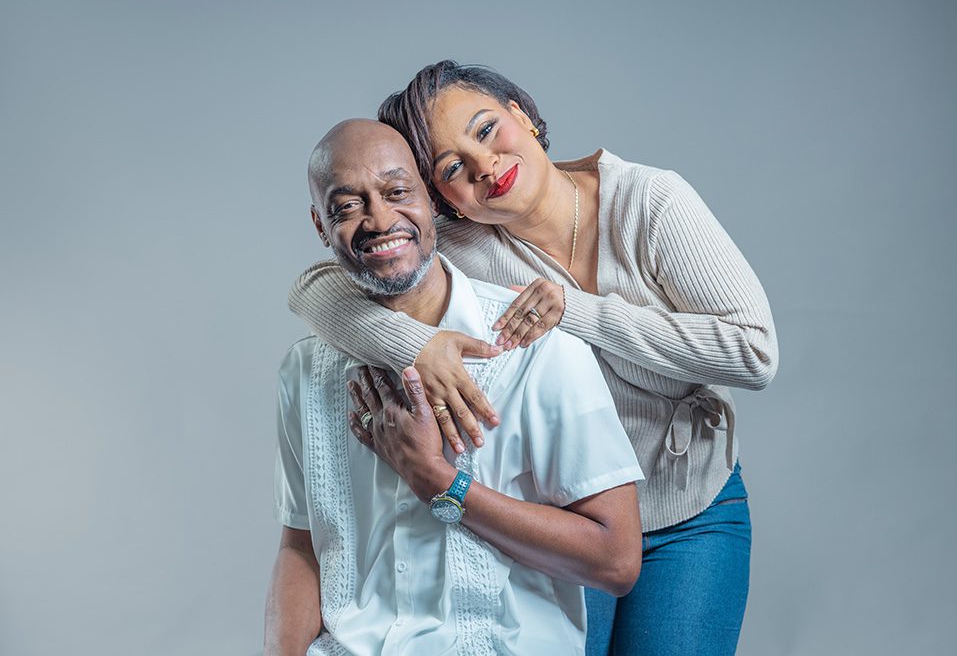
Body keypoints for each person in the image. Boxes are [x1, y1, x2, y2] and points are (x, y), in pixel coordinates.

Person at [287, 61, 779, 656]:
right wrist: (413, 344)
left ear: (522, 114)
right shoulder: (466, 247)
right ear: (442, 198)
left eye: (487, 129)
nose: (484, 166)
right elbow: (317, 287)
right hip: (566, 513)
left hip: (690, 505)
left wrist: (575, 311)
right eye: (451, 168)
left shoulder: (648, 203)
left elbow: (754, 352)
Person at [264, 118, 645, 655]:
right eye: (347, 206)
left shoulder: (537, 348)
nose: (378, 219)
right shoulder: (303, 372)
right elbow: (302, 544)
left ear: (432, 199)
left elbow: (616, 560)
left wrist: (440, 481)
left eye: (397, 192)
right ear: (320, 226)